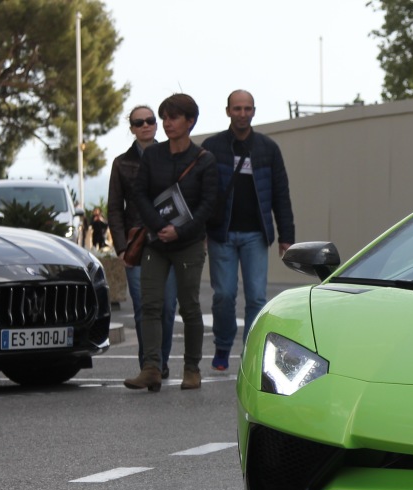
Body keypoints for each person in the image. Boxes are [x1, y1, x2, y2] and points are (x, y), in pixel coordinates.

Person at [123, 93, 218, 392]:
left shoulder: (204, 159)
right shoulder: (153, 156)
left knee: (189, 306)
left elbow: (208, 204)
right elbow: (139, 194)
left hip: (188, 243)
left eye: (173, 117)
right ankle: (151, 367)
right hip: (155, 242)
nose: (166, 123)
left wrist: (181, 231)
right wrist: (159, 226)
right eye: (163, 117)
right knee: (150, 305)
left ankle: (192, 369)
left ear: (190, 121)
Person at [202, 90, 295, 372]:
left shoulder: (268, 148)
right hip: (222, 234)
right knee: (224, 295)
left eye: (247, 109)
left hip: (256, 234)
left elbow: (281, 193)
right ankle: (222, 346)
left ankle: (250, 352)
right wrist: (201, 231)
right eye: (237, 108)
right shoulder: (212, 147)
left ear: (254, 112)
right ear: (228, 111)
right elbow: (203, 192)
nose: (242, 114)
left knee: (256, 297)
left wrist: (286, 236)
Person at [107, 105, 178, 379]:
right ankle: (150, 364)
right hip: (136, 243)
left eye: (150, 120)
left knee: (168, 307)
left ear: (157, 124)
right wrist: (121, 247)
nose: (145, 125)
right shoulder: (121, 163)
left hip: (169, 242)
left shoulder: (173, 157)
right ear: (132, 128)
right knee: (143, 307)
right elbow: (114, 208)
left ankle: (161, 360)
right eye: (139, 122)